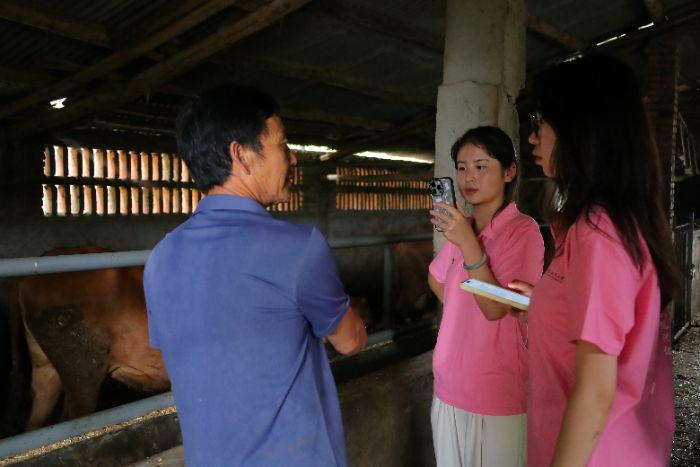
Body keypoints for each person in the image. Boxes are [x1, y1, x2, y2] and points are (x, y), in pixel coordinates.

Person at [143, 84, 367, 467]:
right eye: (282, 144)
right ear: (242, 155)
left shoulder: (160, 258)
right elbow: (350, 341)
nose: (291, 157)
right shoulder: (298, 247)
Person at [511, 54, 681, 466]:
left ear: (581, 129)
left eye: (541, 122)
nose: (533, 137)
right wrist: (544, 304)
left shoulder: (597, 232)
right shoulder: (615, 223)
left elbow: (595, 390)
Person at [428, 126, 544, 467]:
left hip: (497, 393)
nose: (469, 177)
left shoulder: (522, 231)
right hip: (449, 385)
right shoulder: (463, 227)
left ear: (509, 172)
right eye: (462, 167)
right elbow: (435, 280)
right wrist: (463, 314)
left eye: (481, 166)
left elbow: (495, 309)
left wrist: (467, 242)